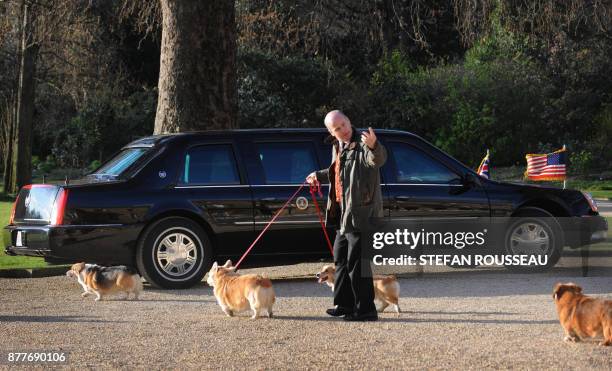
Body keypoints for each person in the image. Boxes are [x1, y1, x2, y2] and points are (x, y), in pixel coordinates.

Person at [306, 110, 387, 321]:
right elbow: (338, 172)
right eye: (337, 128)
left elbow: (376, 159)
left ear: (349, 121)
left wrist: (374, 146)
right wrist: (318, 175)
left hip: (361, 213)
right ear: (331, 132)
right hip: (342, 212)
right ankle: (344, 305)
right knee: (340, 258)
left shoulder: (363, 143)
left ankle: (366, 310)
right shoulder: (338, 146)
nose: (342, 130)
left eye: (343, 125)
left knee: (357, 262)